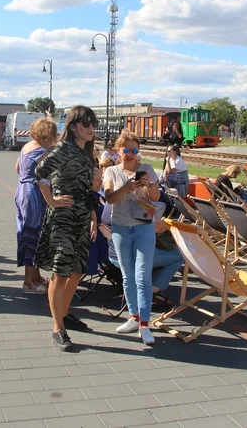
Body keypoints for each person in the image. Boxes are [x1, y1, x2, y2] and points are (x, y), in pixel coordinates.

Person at [35, 106, 99, 351]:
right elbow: (39, 173)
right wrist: (51, 200)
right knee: (61, 272)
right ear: (73, 126)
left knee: (77, 271)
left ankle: (64, 313)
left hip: (82, 216)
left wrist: (93, 215)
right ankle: (57, 327)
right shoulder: (63, 149)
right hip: (63, 217)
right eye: (86, 124)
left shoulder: (86, 152)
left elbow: (87, 189)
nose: (91, 128)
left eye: (93, 123)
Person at [103, 130, 160, 346]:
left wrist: (147, 185)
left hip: (144, 227)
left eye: (134, 150)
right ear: (118, 151)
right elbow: (109, 198)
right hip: (121, 228)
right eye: (126, 150)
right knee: (127, 276)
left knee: (143, 276)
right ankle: (134, 317)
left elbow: (156, 197)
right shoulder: (111, 171)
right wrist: (127, 186)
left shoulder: (146, 169)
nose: (130, 154)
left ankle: (145, 324)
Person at [14, 117, 58, 294]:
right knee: (32, 234)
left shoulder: (27, 146)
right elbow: (48, 174)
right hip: (33, 193)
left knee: (29, 233)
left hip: (22, 190)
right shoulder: (43, 151)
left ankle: (36, 276)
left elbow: (17, 168)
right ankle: (28, 282)